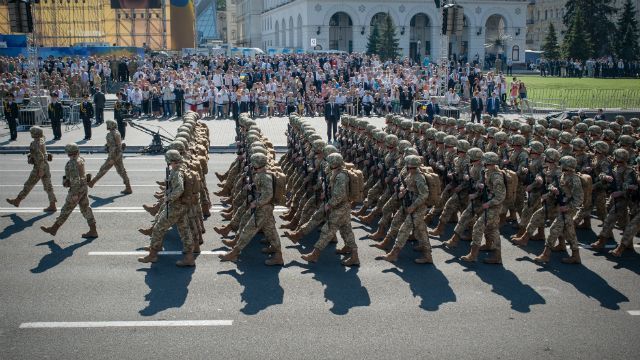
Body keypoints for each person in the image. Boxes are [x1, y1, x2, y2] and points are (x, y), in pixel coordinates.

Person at [219, 153, 284, 266]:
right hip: (264, 207)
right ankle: (277, 254)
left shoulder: (265, 177)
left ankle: (234, 252)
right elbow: (260, 189)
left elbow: (268, 194)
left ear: (257, 164)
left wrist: (256, 203)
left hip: (263, 208)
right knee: (270, 231)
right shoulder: (261, 173)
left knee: (248, 230)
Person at [138, 149, 195, 267]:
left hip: (175, 207)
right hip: (182, 206)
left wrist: (168, 198)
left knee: (158, 228)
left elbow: (179, 189)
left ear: (170, 160)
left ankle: (152, 255)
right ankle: (189, 258)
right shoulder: (181, 168)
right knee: (185, 231)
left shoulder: (176, 172)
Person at [300, 153, 359, 266]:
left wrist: (330, 204)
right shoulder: (336, 172)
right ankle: (354, 256)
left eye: (330, 162)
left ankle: (315, 254)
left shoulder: (341, 176)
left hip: (339, 207)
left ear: (335, 163)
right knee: (346, 231)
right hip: (343, 207)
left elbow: (339, 194)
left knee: (327, 230)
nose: (328, 164)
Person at [40, 143, 98, 239]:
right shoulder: (80, 159)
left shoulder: (72, 163)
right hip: (83, 188)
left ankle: (54, 229)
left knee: (66, 209)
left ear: (68, 153)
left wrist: (75, 194)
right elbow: (82, 174)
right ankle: (93, 230)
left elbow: (75, 179)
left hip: (77, 189)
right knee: (85, 208)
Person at [533, 156, 584, 264]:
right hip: (561, 207)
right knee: (569, 232)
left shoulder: (574, 179)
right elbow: (555, 186)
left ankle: (546, 255)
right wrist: (551, 191)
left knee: (554, 229)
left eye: (563, 164)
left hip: (568, 209)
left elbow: (579, 198)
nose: (561, 166)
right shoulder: (564, 175)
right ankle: (576, 256)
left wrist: (568, 207)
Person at [460, 152, 506, 264]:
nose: (482, 162)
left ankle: (473, 255)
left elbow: (501, 196)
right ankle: (496, 255)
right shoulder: (487, 172)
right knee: (492, 229)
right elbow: (485, 189)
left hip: (493, 207)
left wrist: (489, 204)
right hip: (488, 204)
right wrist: (476, 194)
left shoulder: (496, 177)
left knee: (478, 227)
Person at [6, 126, 57, 212]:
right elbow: (42, 152)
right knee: (48, 186)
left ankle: (17, 200)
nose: (31, 133)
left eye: (32, 132)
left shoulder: (35, 143)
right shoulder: (42, 140)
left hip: (39, 167)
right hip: (45, 166)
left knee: (28, 185)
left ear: (35, 134)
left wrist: (40, 170)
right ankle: (53, 205)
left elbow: (40, 157)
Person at [88, 119, 132, 194]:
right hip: (117, 155)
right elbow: (115, 145)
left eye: (108, 124)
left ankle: (92, 182)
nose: (107, 126)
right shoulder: (115, 133)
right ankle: (128, 187)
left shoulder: (113, 134)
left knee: (103, 169)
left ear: (111, 125)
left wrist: (113, 158)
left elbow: (116, 146)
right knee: (121, 171)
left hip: (114, 155)